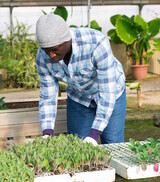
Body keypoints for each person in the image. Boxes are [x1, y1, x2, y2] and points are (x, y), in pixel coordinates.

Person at [35, 13, 126, 146]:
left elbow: (107, 93)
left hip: (112, 93)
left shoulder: (96, 43)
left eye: (54, 49)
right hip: (79, 97)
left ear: (67, 40)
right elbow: (48, 96)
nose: (51, 55)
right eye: (46, 50)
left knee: (112, 144)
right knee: (77, 146)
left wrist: (94, 134)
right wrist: (47, 133)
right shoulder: (42, 57)